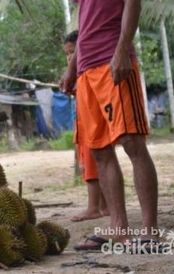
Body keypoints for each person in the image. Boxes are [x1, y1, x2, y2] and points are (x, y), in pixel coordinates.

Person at [51, 0, 158, 252]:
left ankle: (149, 229)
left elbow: (132, 0)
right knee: (98, 151)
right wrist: (71, 68)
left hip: (114, 62)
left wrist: (122, 50)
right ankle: (118, 228)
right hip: (86, 72)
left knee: (131, 142)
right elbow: (83, 26)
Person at [63, 30, 108, 222]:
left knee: (92, 166)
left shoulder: (90, 72)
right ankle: (105, 205)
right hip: (82, 125)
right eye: (66, 54)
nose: (69, 58)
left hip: (91, 126)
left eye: (73, 52)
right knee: (92, 165)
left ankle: (93, 207)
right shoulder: (79, 75)